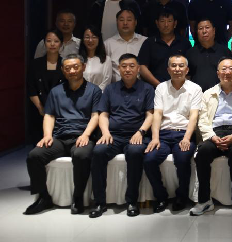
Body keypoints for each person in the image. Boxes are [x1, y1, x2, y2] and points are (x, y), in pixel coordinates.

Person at [24, 54, 102, 215]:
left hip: (82, 136)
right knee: (34, 156)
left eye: (75, 67)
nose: (72, 71)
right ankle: (43, 197)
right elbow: (49, 115)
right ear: (62, 70)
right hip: (59, 137)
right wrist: (47, 135)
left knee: (81, 155)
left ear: (83, 67)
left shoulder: (94, 90)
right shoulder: (56, 91)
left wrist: (86, 135)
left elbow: (96, 116)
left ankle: (78, 197)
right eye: (67, 68)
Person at [89, 54, 154, 218]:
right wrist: (105, 132)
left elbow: (150, 115)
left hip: (137, 135)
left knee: (135, 152)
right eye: (124, 66)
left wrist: (141, 132)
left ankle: (132, 201)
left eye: (132, 66)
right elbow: (103, 114)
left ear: (138, 69)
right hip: (113, 135)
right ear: (118, 69)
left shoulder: (147, 89)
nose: (128, 69)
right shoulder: (110, 89)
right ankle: (99, 202)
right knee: (98, 151)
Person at [191, 57, 232, 216]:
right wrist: (212, 137)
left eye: (231, 69)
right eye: (224, 69)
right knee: (203, 152)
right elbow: (202, 121)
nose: (227, 72)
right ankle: (205, 200)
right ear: (218, 73)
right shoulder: (208, 94)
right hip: (214, 133)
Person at [143, 55, 202, 212]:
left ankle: (181, 197)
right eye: (173, 66)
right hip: (163, 134)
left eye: (181, 66)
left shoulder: (195, 89)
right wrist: (155, 138)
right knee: (149, 159)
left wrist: (187, 138)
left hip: (183, 133)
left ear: (187, 69)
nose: (177, 69)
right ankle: (161, 196)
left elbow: (194, 116)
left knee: (182, 159)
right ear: (168, 70)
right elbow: (157, 114)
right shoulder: (161, 88)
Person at [27, 29, 65, 143]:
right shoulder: (35, 64)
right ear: (44, 43)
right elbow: (31, 88)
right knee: (39, 143)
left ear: (61, 44)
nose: (52, 44)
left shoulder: (65, 64)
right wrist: (40, 108)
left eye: (56, 41)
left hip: (61, 111)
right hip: (39, 109)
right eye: (49, 41)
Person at [138, 8, 191, 87]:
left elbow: (190, 69)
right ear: (157, 23)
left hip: (180, 88)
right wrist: (159, 86)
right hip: (154, 88)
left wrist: (179, 86)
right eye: (162, 21)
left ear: (175, 23)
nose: (166, 25)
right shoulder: (149, 43)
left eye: (169, 21)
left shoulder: (184, 43)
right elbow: (142, 67)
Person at [186, 18, 232, 92]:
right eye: (200, 28)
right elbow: (187, 76)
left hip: (221, 94)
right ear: (197, 32)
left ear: (214, 31)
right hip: (196, 95)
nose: (204, 31)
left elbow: (231, 74)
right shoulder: (190, 53)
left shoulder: (225, 52)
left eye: (207, 27)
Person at [104, 9, 146, 82]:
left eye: (129, 20)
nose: (125, 23)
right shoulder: (108, 44)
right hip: (115, 87)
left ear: (135, 22)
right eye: (121, 20)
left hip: (141, 86)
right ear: (117, 22)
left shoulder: (145, 42)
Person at [78, 25, 112, 91]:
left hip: (99, 95)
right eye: (87, 37)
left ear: (99, 40)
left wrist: (95, 94)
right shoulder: (77, 60)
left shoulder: (106, 60)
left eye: (94, 37)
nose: (90, 40)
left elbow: (106, 81)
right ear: (83, 40)